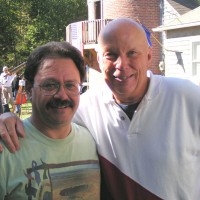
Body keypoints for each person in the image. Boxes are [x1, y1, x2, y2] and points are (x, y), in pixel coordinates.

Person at [0, 18, 200, 200]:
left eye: (132, 53)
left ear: (149, 56)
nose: (121, 65)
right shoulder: (83, 108)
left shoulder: (189, 98)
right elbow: (48, 118)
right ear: (98, 60)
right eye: (111, 55)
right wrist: (6, 117)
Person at [0, 41, 100, 199]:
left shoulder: (94, 141)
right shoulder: (6, 147)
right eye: (49, 85)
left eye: (70, 85)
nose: (62, 95)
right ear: (29, 90)